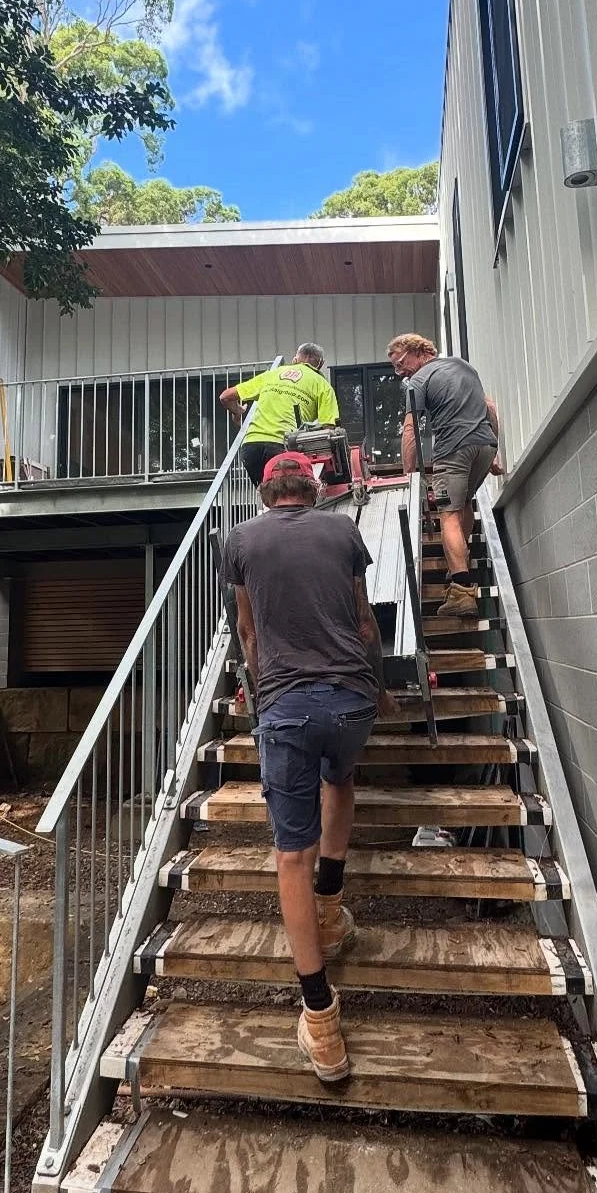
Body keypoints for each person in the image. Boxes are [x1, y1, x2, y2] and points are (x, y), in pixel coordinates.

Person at [221, 451, 393, 1084]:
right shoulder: (343, 530)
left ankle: (320, 1021)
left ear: (266, 492)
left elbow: (248, 632)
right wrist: (376, 687)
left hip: (287, 707)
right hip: (350, 698)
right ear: (313, 490)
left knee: (290, 854)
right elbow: (364, 620)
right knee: (341, 780)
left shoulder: (239, 542)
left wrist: (258, 693)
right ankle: (330, 904)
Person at [388, 333, 502, 615]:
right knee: (462, 505)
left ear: (418, 352)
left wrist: (408, 473)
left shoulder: (418, 381)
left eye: (400, 363)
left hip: (454, 450)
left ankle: (462, 593)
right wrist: (494, 450)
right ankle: (457, 573)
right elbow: (490, 407)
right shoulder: (463, 366)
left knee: (448, 514)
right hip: (484, 446)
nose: (398, 371)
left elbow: (411, 429)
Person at [220, 345, 339, 484]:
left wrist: (238, 412)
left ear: (295, 358)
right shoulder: (322, 385)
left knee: (267, 495)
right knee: (287, 496)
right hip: (283, 447)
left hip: (251, 447)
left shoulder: (272, 374)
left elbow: (225, 397)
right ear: (321, 364)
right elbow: (329, 428)